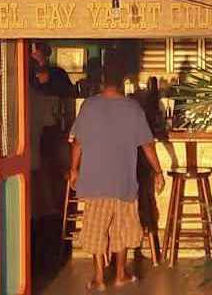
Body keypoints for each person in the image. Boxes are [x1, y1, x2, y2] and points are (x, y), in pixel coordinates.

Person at [68, 57, 165, 291]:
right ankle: (120, 275)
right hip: (123, 182)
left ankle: (100, 279)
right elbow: (147, 145)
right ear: (123, 81)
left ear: (102, 80)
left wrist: (73, 169)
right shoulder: (133, 108)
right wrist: (159, 171)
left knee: (95, 230)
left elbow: (78, 142)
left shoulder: (89, 106)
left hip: (94, 181)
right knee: (122, 229)